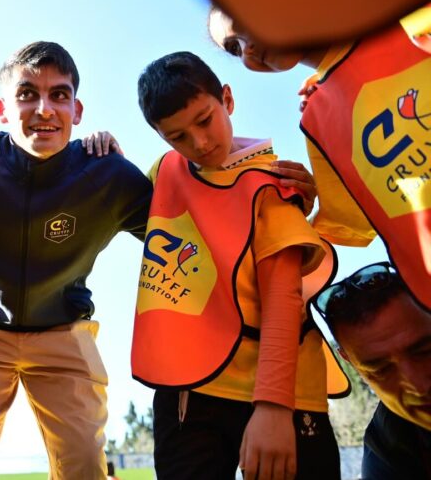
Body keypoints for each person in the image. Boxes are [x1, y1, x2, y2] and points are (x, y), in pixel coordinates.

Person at [0, 41, 318, 478]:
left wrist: (269, 189)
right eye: (27, 95)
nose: (44, 109)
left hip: (66, 334)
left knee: (82, 463)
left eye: (59, 95)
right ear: (4, 110)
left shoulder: (110, 176)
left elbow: (193, 224)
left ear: (78, 110)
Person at [134, 51, 340, 479]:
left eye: (205, 120)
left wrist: (273, 408)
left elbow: (283, 300)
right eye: (178, 137)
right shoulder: (164, 173)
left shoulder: (272, 185)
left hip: (281, 392)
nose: (200, 143)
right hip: (189, 389)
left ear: (227, 99)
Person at [207, 5, 431, 312]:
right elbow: (351, 222)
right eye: (235, 47)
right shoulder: (318, 116)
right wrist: (289, 215)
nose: (249, 49)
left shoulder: (407, 22)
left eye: (248, 20)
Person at [315, 262, 431, 479]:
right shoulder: (388, 444)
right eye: (382, 370)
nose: (418, 386)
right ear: (350, 363)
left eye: (424, 351)